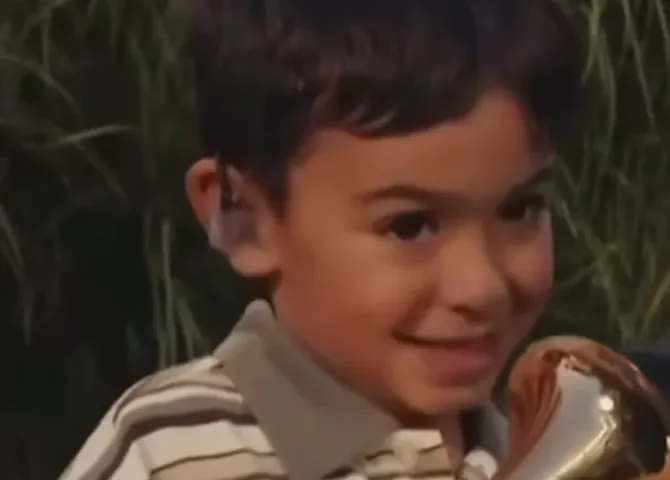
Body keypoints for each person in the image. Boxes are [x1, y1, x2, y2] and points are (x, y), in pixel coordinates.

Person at [60, 0, 582, 478]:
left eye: (520, 210)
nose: (481, 287)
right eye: (409, 226)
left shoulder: (538, 456)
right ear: (241, 216)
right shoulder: (168, 455)